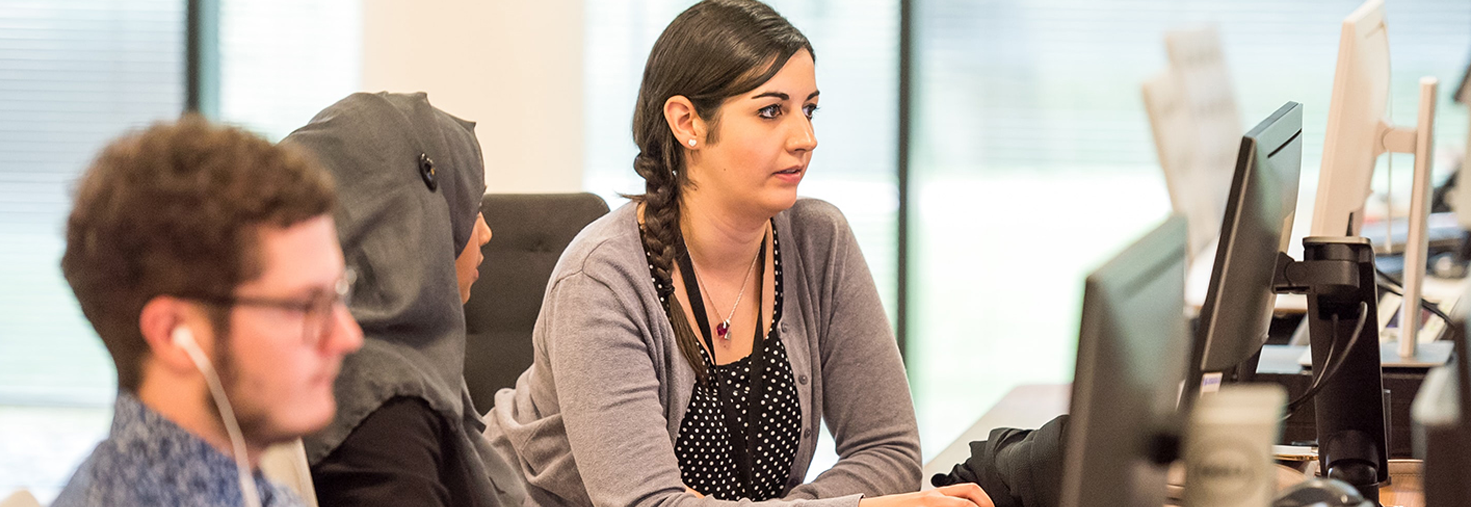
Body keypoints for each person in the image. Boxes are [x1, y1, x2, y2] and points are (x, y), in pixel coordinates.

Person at [485, 2, 993, 506]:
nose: (806, 138)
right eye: (771, 111)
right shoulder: (601, 280)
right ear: (688, 123)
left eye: (809, 109)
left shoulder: (819, 240)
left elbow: (889, 450)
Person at [54, 116, 364, 506]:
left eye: (338, 294)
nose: (347, 335)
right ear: (173, 334)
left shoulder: (246, 490)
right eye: (304, 305)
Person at [281, 92, 521, 507]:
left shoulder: (394, 364)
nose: (484, 233)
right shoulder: (384, 408)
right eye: (471, 207)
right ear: (415, 220)